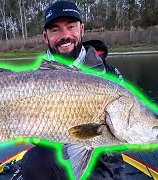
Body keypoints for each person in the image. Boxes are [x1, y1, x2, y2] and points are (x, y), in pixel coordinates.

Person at [19, 1, 125, 180]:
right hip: (57, 153)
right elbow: (34, 132)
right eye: (55, 30)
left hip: (102, 159)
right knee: (34, 161)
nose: (65, 35)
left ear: (82, 29)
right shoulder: (34, 82)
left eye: (71, 26)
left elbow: (122, 129)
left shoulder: (110, 75)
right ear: (46, 36)